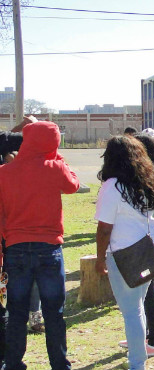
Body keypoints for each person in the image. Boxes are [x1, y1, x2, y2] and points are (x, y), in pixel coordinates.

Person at [94, 135, 154, 370]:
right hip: (151, 249)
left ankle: (137, 363)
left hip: (124, 254)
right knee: (138, 306)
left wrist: (99, 259)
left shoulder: (111, 187)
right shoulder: (148, 179)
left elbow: (104, 229)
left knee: (132, 311)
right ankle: (139, 354)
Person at [0, 120, 79, 370]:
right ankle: (59, 364)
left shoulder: (4, 171)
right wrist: (59, 158)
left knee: (16, 311)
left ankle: (13, 363)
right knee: (54, 312)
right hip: (49, 247)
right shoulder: (55, 167)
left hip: (15, 248)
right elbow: (73, 185)